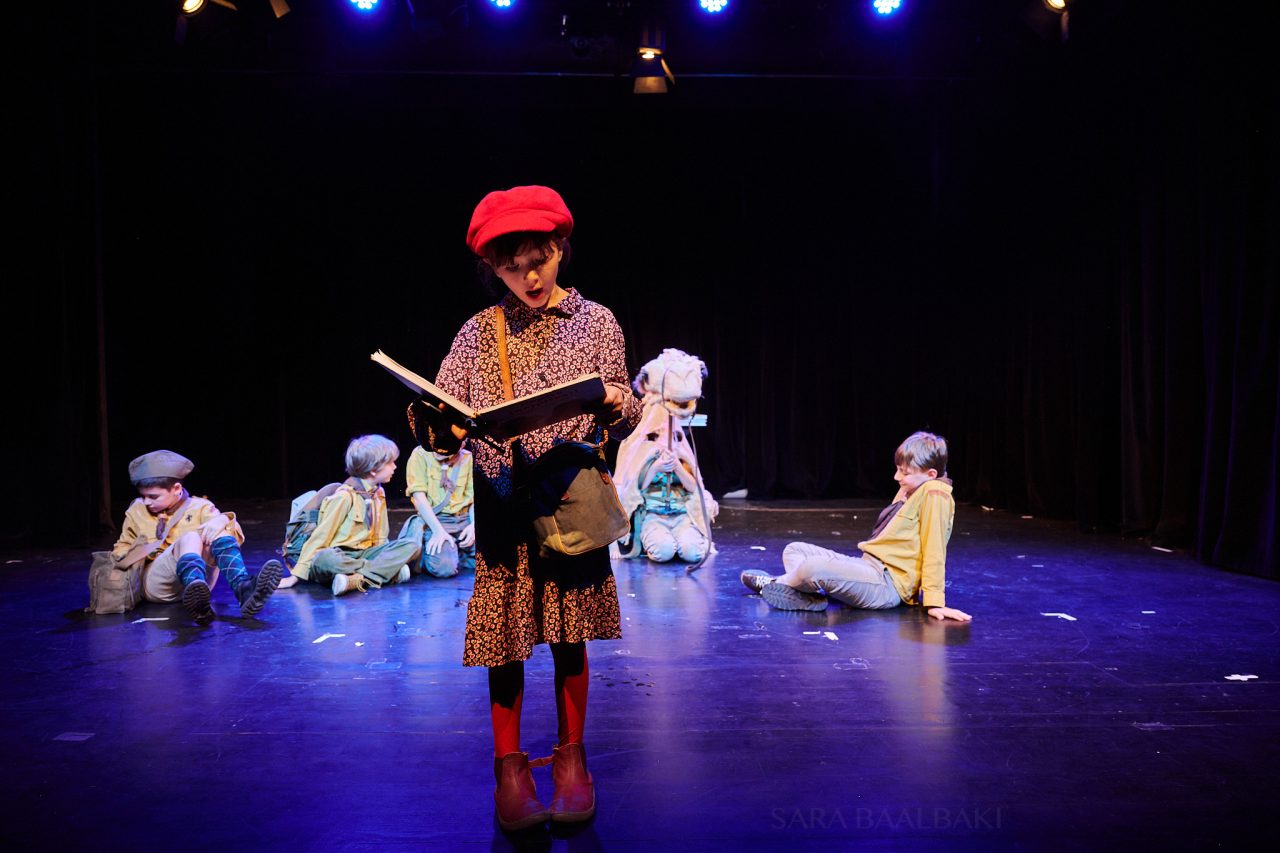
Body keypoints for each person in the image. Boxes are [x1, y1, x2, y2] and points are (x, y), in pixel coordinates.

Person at [433, 185, 642, 830]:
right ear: (491, 267)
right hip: (504, 504)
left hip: (568, 499)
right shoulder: (478, 332)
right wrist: (443, 428)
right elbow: (443, 414)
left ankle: (572, 761)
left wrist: (616, 402)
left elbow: (627, 413)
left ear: (559, 249)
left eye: (539, 260)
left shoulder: (595, 320)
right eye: (511, 266)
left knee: (569, 634)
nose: (528, 277)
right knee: (505, 641)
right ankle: (510, 768)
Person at [741, 431, 972, 622]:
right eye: (898, 469)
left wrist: (934, 602)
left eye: (905, 473)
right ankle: (806, 593)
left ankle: (774, 584)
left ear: (931, 474)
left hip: (887, 584)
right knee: (795, 550)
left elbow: (934, 549)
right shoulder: (914, 489)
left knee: (813, 567)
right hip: (869, 566)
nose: (896, 477)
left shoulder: (935, 493)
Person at [110, 450, 282, 622]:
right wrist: (145, 552)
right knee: (191, 538)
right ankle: (198, 600)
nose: (147, 501)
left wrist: (222, 519)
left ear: (176, 489)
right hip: (158, 584)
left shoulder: (200, 507)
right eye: (143, 496)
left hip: (200, 584)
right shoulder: (137, 511)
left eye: (153, 496)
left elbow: (232, 536)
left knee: (217, 529)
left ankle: (242, 588)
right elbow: (120, 550)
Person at [277, 434, 421, 596]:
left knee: (412, 545)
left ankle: (356, 580)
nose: (394, 467)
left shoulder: (379, 493)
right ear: (373, 469)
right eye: (390, 463)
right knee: (325, 559)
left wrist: (386, 554)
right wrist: (295, 577)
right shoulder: (344, 496)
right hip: (341, 556)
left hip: (366, 553)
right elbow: (320, 537)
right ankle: (385, 573)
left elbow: (381, 538)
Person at [614, 349, 717, 564]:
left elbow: (693, 487)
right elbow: (634, 488)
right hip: (654, 516)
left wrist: (678, 466)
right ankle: (658, 539)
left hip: (681, 515)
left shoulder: (680, 450)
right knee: (664, 552)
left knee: (692, 553)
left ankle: (683, 537)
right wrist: (656, 466)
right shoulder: (645, 449)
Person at [399, 434, 476, 578]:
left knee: (493, 559)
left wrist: (474, 526)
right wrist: (438, 531)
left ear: (461, 445)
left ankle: (456, 552)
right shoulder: (421, 455)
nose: (440, 451)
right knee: (444, 569)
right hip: (437, 520)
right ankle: (433, 552)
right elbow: (419, 498)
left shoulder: (468, 458)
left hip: (464, 519)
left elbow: (473, 499)